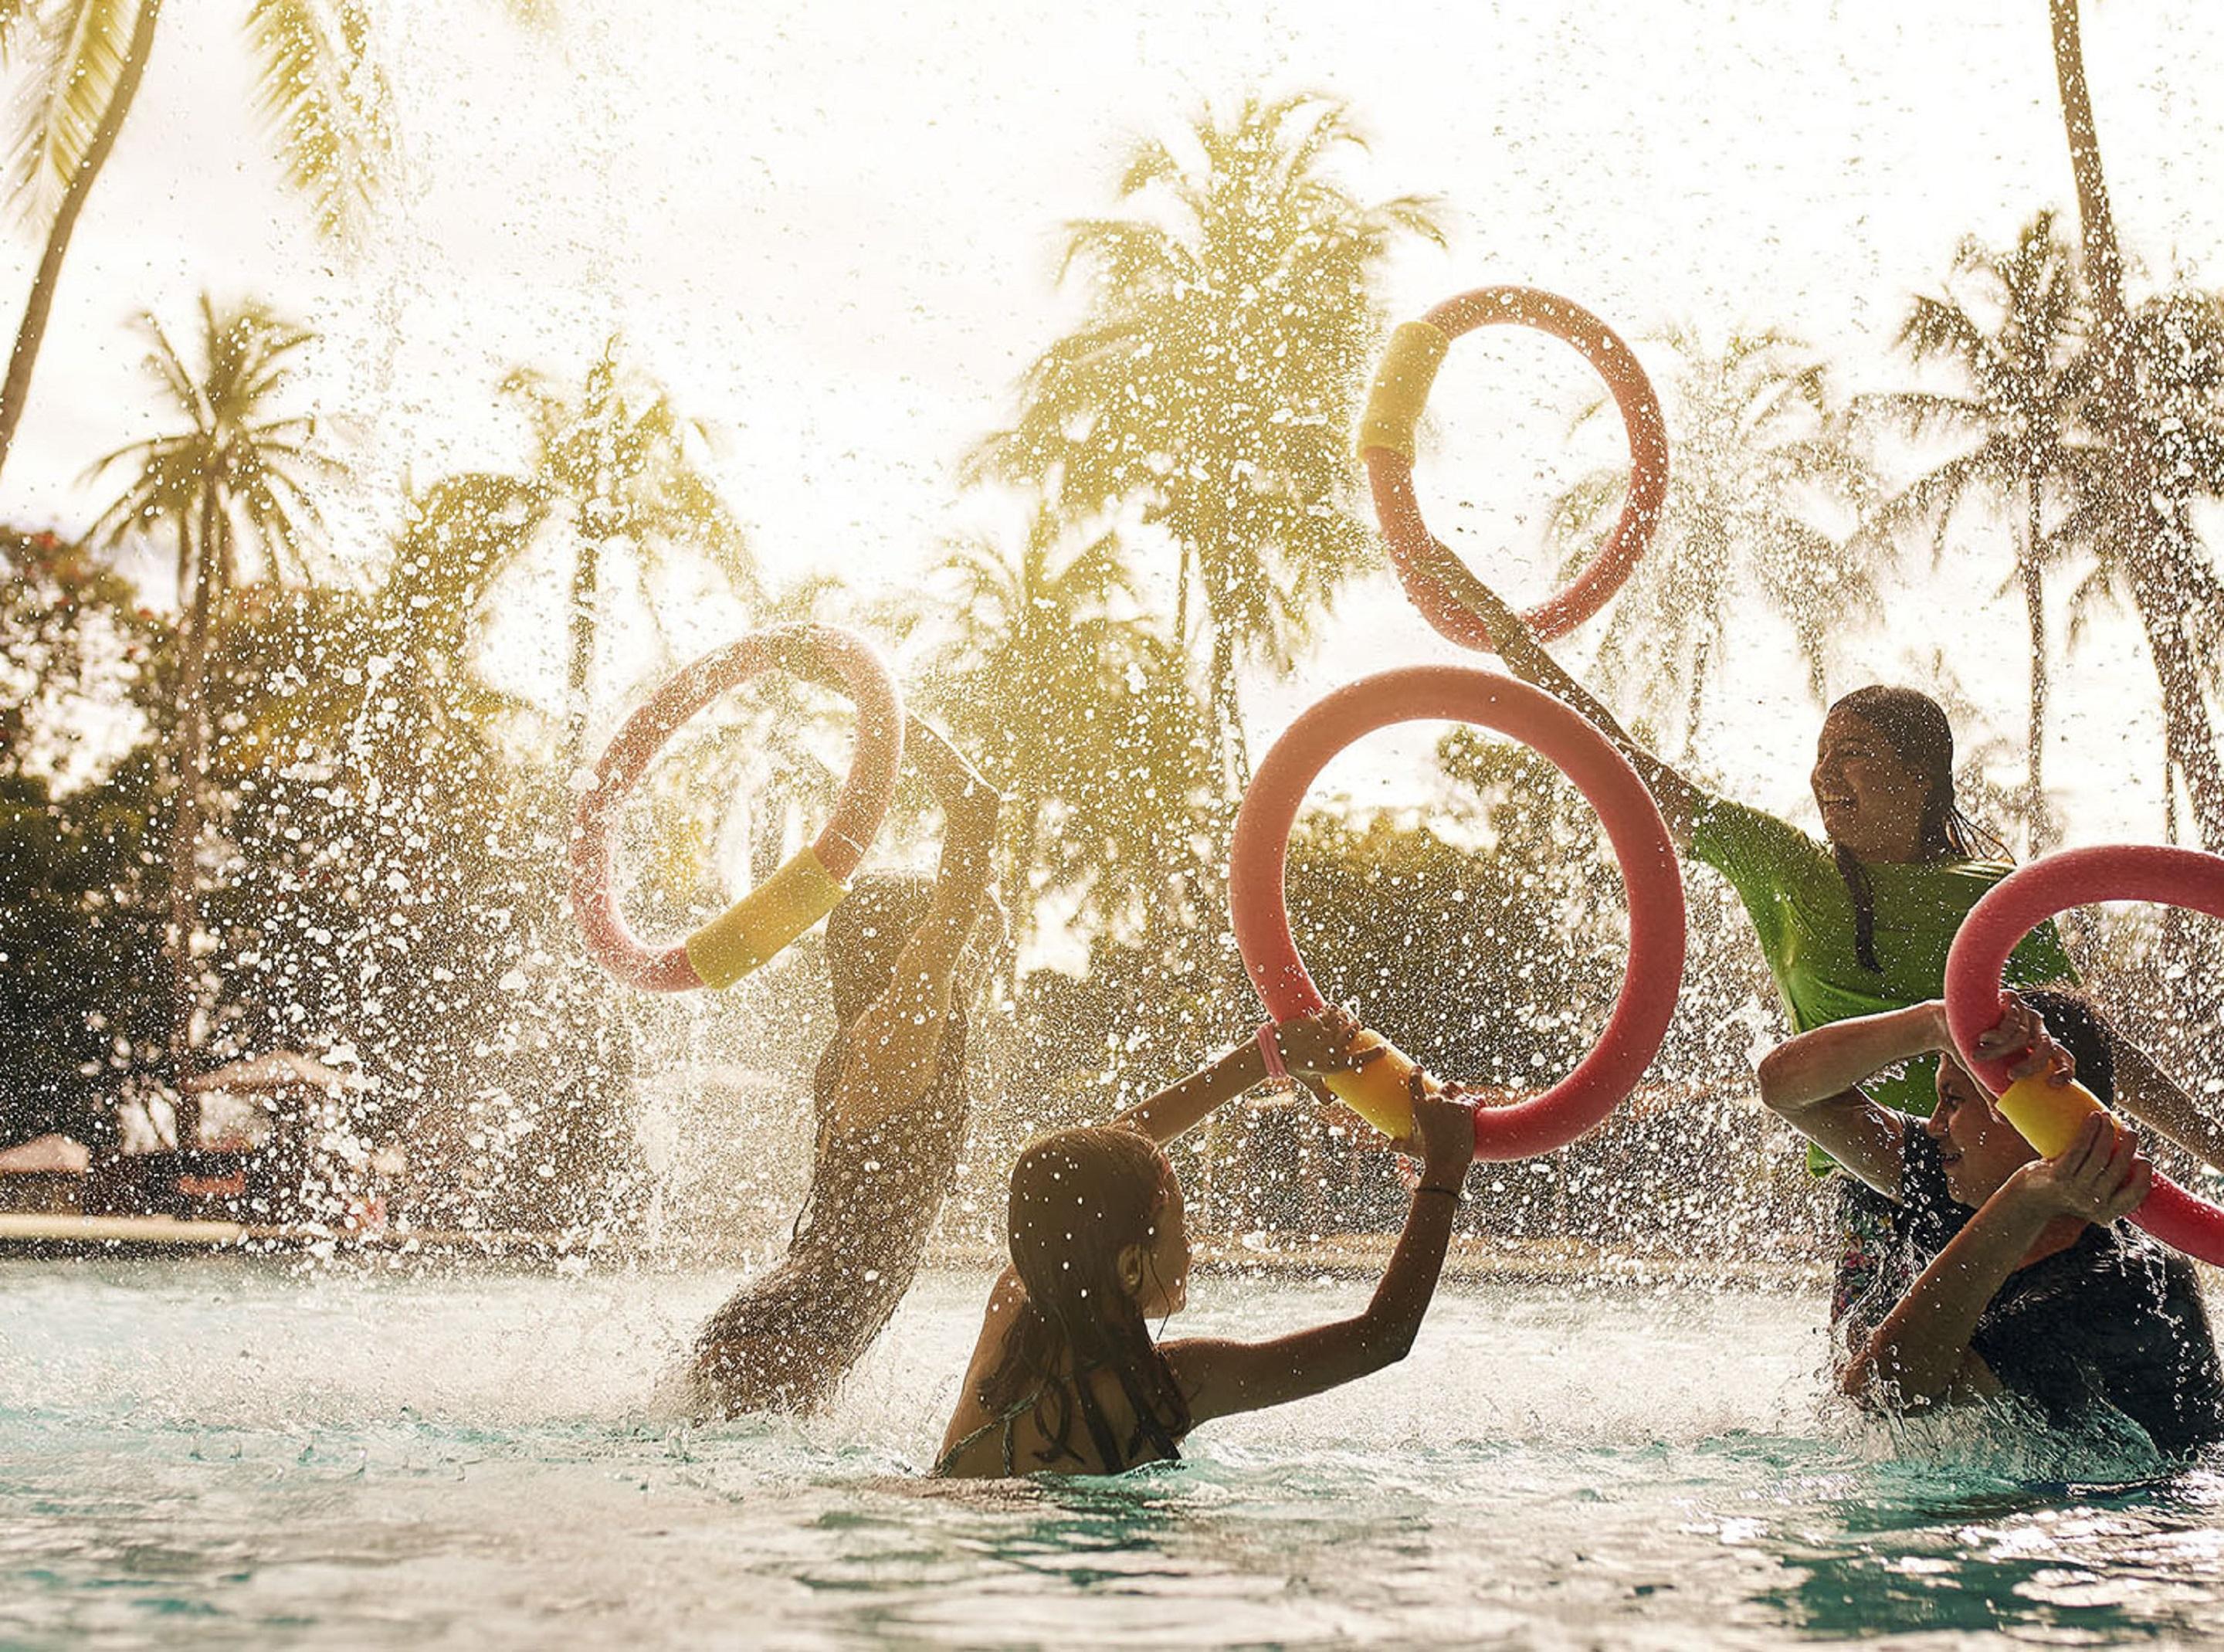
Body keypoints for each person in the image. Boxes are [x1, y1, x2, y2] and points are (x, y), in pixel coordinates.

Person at [1450, 577, 2224, 1330]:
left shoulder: (1997, 897)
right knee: (1886, 1420)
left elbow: (2090, 1049)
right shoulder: (1785, 867)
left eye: (1852, 753)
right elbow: (1625, 767)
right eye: (1821, 755)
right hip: (1886, 1181)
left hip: (2028, 1175)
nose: (1823, 775)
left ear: (1920, 776)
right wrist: (1515, 645)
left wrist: (2213, 1149)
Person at [936, 1009, 1480, 1477]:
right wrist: (1444, 1170)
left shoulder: (1016, 1300)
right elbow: (1381, 1337)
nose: (1193, 1247)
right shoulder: (1167, 1385)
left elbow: (1096, 1165)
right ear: (1129, 1265)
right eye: (1182, 1225)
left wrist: (1273, 1055)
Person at [1755, 985, 2224, 1457]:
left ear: (2043, 1116)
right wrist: (1935, 1024)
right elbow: (1785, 1090)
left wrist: (2023, 1201)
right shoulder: (1954, 1175)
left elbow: (1883, 1391)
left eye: (1954, 1100)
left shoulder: (2126, 1285)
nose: (1935, 1124)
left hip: (2132, 1511)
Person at [687, 721, 1000, 1416]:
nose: (971, 945)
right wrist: (893, 720)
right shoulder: (899, 1031)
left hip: (794, 1320)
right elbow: (977, 809)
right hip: (793, 1329)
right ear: (910, 948)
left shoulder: (888, 1041)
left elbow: (983, 913)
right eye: (953, 935)